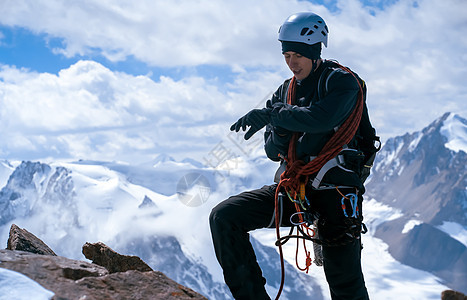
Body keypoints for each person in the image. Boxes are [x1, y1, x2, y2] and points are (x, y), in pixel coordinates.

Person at [209, 12, 371, 300]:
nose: (291, 62)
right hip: (296, 190)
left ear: (315, 51)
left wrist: (274, 116)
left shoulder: (343, 83)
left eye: (297, 54)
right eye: (287, 55)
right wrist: (280, 129)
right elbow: (272, 151)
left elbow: (321, 118)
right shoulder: (285, 91)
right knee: (224, 217)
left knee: (344, 281)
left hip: (337, 193)